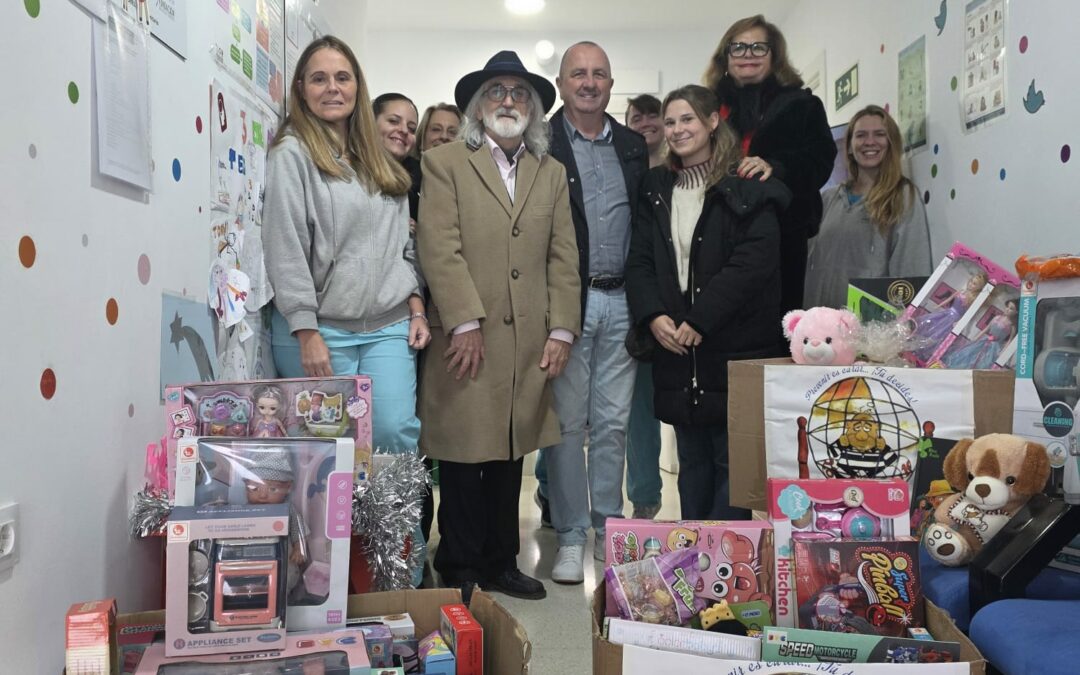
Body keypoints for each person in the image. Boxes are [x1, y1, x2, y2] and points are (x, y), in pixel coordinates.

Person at [416, 51, 580, 601]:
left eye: (518, 94)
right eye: (496, 91)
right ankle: (460, 563)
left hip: (528, 339)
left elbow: (563, 255)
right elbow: (439, 247)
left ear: (533, 110)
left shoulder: (550, 172)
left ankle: (501, 561)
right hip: (468, 335)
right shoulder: (444, 163)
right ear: (477, 106)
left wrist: (561, 332)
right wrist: (462, 321)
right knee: (463, 451)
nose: (507, 101)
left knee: (512, 452)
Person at [262, 37, 430, 469]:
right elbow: (285, 244)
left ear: (359, 87)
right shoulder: (292, 153)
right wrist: (305, 329)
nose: (332, 88)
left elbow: (406, 248)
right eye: (319, 79)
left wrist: (416, 307)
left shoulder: (378, 161)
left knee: (394, 433)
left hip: (388, 326)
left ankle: (398, 539)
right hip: (321, 330)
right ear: (301, 88)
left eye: (342, 77)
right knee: (327, 449)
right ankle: (333, 541)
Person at [625, 85, 791, 521]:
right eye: (670, 122)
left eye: (688, 120)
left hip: (732, 344)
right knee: (692, 466)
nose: (677, 130)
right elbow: (640, 258)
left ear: (713, 122)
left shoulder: (748, 184)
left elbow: (752, 264)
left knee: (731, 467)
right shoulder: (656, 186)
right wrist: (652, 315)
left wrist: (701, 318)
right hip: (676, 347)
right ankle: (694, 562)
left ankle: (730, 571)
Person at [532, 41, 647, 585]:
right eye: (578, 73)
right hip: (568, 303)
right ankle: (572, 533)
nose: (589, 82)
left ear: (610, 83)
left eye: (599, 73)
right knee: (565, 425)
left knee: (613, 424)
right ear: (561, 83)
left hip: (622, 299)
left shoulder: (631, 144)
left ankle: (608, 527)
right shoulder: (543, 140)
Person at [705, 14, 836, 315]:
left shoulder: (802, 105)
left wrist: (776, 167)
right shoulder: (706, 107)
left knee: (778, 323)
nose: (748, 55)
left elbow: (821, 159)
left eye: (758, 48)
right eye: (738, 47)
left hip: (782, 235)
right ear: (725, 57)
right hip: (716, 235)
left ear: (774, 56)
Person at [804, 105, 932, 309]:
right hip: (820, 331)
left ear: (891, 143)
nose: (869, 142)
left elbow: (912, 271)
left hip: (866, 333)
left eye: (879, 134)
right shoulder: (828, 198)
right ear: (849, 146)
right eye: (861, 135)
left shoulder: (903, 196)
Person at [623, 92, 667, 523]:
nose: (647, 123)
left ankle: (645, 497)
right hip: (615, 295)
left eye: (655, 116)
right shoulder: (621, 167)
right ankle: (547, 489)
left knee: (644, 408)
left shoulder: (679, 171)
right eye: (638, 116)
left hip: (665, 303)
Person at [373, 92, 422, 221]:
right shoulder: (345, 173)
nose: (404, 131)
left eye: (412, 129)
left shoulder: (419, 179)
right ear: (369, 122)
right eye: (394, 121)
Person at [626, 94, 666, 169]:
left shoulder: (682, 167)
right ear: (627, 129)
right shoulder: (619, 171)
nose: (645, 124)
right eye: (637, 120)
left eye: (653, 116)